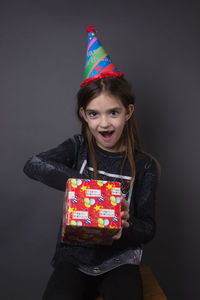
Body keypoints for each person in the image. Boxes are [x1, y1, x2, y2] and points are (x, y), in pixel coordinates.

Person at [23, 26, 160, 300]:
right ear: (84, 115)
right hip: (74, 259)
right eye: (94, 114)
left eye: (113, 112)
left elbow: (148, 229)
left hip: (120, 262)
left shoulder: (145, 166)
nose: (104, 123)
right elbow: (33, 164)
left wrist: (126, 223)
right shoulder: (78, 147)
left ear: (128, 112)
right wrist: (91, 190)